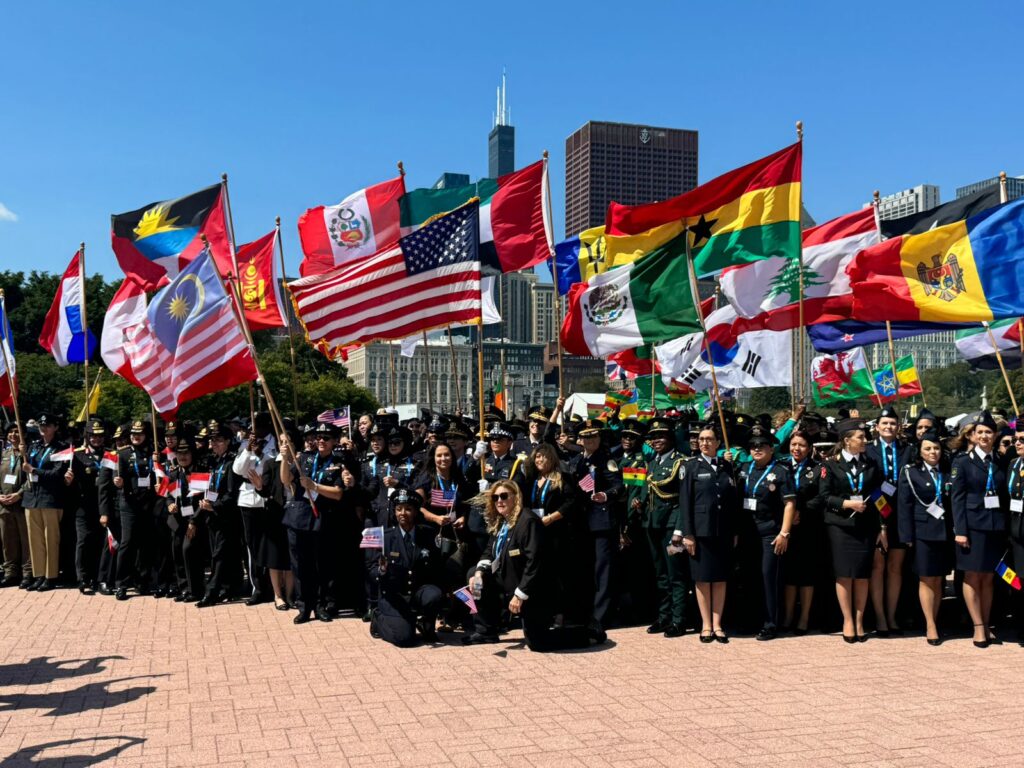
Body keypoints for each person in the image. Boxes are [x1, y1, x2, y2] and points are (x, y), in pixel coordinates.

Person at [463, 480, 595, 650]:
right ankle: (485, 631)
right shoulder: (502, 521)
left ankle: (586, 633)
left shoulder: (528, 521)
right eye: (495, 497)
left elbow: (536, 563)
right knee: (473, 575)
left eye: (504, 496)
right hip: (509, 581)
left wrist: (520, 595)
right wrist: (480, 572)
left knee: (538, 643)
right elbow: (489, 551)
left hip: (534, 590)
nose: (499, 501)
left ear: (516, 498)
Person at [818, 418, 883, 643]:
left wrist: (882, 525)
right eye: (860, 437)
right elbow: (825, 497)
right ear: (847, 441)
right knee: (845, 575)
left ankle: (859, 619)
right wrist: (847, 504)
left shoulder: (871, 463)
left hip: (865, 526)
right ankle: (847, 619)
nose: (865, 441)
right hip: (840, 526)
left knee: (862, 575)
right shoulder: (830, 464)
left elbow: (878, 494)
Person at [673, 424, 737, 643]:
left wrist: (734, 530)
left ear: (718, 443)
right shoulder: (690, 466)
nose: (705, 442)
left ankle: (718, 624)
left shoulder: (727, 466)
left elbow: (732, 502)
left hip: (723, 531)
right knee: (702, 579)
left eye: (709, 439)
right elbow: (685, 502)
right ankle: (706, 625)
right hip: (700, 532)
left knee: (720, 578)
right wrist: (688, 534)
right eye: (701, 439)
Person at [951, 410, 1008, 648]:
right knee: (972, 576)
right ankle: (977, 627)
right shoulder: (962, 462)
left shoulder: (1001, 460)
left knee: (988, 577)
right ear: (972, 435)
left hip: (995, 526)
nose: (984, 436)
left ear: (994, 436)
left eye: (989, 432)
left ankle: (986, 623)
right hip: (973, 527)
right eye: (980, 432)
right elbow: (957, 498)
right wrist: (960, 530)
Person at [279, 423, 344, 624]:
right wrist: (284, 458)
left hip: (322, 518)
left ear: (334, 441)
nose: (321, 441)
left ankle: (321, 605)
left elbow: (338, 493)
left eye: (326, 438)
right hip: (298, 518)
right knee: (300, 566)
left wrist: (315, 486)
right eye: (319, 437)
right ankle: (304, 606)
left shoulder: (339, 462)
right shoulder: (304, 459)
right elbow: (286, 479)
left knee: (321, 565)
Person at [738, 426, 795, 641]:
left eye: (761, 445)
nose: (756, 449)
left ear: (771, 449)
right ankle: (752, 620)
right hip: (747, 531)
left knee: (768, 577)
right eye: (753, 446)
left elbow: (790, 503)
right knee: (749, 576)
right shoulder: (744, 468)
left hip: (770, 531)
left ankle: (771, 623)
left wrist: (784, 533)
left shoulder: (780, 471)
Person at [368, 488, 444, 647]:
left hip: (417, 592)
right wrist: (381, 571)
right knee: (404, 638)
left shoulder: (428, 534)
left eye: (408, 509)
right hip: (393, 597)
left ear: (416, 512)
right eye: (398, 509)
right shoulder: (383, 536)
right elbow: (370, 569)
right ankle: (378, 619)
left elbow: (436, 568)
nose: (403, 513)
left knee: (434, 594)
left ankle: (427, 626)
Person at [569, 418, 624, 636]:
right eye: (585, 436)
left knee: (603, 570)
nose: (589, 440)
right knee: (584, 569)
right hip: (581, 521)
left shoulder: (606, 460)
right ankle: (584, 613)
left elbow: (619, 486)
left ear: (599, 438)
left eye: (593, 436)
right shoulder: (576, 460)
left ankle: (601, 616)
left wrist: (606, 494)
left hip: (601, 520)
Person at [897, 430, 953, 646]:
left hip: (945, 531)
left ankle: (935, 619)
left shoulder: (947, 471)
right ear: (919, 452)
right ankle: (929, 624)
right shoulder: (911, 472)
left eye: (936, 448)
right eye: (928, 448)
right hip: (923, 533)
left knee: (939, 579)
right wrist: (907, 536)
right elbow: (905, 506)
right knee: (926, 578)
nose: (933, 452)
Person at [865, 406, 913, 636]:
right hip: (876, 514)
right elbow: (868, 485)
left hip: (901, 516)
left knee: (895, 567)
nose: (889, 427)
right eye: (884, 424)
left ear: (899, 426)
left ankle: (892, 614)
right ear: (877, 427)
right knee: (878, 566)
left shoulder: (908, 450)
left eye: (893, 423)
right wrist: (881, 517)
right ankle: (879, 616)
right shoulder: (868, 451)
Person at [519, 442, 579, 621]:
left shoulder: (562, 478)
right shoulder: (532, 480)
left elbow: (571, 503)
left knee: (559, 574)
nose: (539, 459)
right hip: (537, 532)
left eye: (543, 456)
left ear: (551, 458)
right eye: (536, 456)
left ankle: (562, 613)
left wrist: (552, 517)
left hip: (556, 532)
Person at [642, 419, 689, 638]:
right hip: (652, 524)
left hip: (672, 526)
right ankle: (664, 617)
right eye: (653, 437)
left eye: (661, 436)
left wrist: (679, 530)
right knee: (660, 575)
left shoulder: (681, 462)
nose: (656, 441)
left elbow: (683, 500)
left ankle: (679, 620)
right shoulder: (652, 463)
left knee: (676, 575)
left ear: (670, 439)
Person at [781, 429, 824, 635]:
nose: (796, 449)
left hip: (807, 526)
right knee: (789, 574)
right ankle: (788, 615)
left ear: (809, 448)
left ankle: (804, 618)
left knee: (806, 574)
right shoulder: (781, 465)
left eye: (801, 445)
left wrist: (800, 512)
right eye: (794, 444)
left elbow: (821, 496)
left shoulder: (817, 468)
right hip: (784, 526)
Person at [232, 414, 277, 606]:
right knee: (252, 547)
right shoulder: (246, 445)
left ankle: (273, 588)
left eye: (256, 426)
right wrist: (249, 451)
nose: (253, 429)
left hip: (268, 499)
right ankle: (257, 588)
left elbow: (275, 465)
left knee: (270, 545)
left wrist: (261, 455)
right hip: (249, 500)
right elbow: (238, 470)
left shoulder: (274, 443)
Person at [194, 423, 241, 608]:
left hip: (226, 515)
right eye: (212, 440)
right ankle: (229, 587)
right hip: (211, 515)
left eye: (219, 440)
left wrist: (214, 506)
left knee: (219, 555)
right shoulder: (213, 461)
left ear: (228, 441)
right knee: (221, 553)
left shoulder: (231, 462)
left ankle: (211, 592)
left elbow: (231, 494)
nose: (214, 444)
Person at [111, 420, 159, 600]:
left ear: (146, 435)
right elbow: (119, 477)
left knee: (146, 544)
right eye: (133, 434)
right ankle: (121, 583)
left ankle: (143, 581)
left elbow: (159, 475)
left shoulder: (153, 453)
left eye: (139, 434)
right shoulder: (123, 454)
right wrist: (119, 482)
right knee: (128, 543)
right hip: (130, 503)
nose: (136, 437)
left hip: (148, 503)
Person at [65, 418, 113, 594]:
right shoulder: (77, 455)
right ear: (87, 436)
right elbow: (69, 482)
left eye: (100, 436)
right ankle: (83, 578)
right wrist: (68, 481)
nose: (97, 439)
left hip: (105, 507)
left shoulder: (110, 454)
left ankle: (102, 580)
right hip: (84, 505)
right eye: (93, 436)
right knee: (84, 541)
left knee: (104, 543)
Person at [21, 413, 67, 592]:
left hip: (50, 499)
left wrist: (34, 470)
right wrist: (22, 453)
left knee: (51, 539)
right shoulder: (34, 446)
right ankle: (39, 574)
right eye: (41, 425)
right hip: (32, 498)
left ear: (55, 427)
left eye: (47, 425)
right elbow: (25, 469)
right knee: (35, 540)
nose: (43, 428)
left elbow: (57, 474)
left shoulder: (61, 448)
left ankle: (51, 576)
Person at [172, 442, 206, 603]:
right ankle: (184, 588)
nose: (182, 457)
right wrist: (169, 505)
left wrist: (194, 521)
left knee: (189, 551)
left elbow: (202, 500)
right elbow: (167, 495)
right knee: (178, 552)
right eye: (179, 454)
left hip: (195, 519)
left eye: (186, 454)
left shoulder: (198, 472)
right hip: (177, 521)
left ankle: (196, 590)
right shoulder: (174, 474)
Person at [0, 422, 31, 588]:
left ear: (23, 435)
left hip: (22, 503)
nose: (13, 435)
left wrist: (18, 495)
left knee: (26, 540)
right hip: (4, 505)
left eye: (17, 432)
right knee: (8, 540)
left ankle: (27, 573)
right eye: (10, 432)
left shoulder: (28, 454)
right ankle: (10, 573)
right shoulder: (3, 454)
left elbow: (31, 479)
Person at [1006, 423, 1024, 645]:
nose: (1017, 443)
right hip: (1016, 530)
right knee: (1019, 580)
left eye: (1021, 439)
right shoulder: (1013, 464)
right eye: (1016, 439)